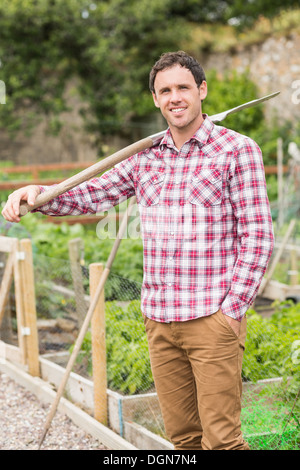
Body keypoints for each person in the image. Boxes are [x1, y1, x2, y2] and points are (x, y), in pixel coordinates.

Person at [2, 51, 274, 450]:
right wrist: (39, 195)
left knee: (223, 441)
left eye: (183, 87)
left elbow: (258, 236)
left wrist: (232, 311)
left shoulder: (236, 150)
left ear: (202, 90)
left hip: (211, 318)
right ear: (155, 99)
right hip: (160, 321)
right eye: (165, 90)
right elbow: (92, 194)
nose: (174, 97)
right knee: (184, 440)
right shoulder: (145, 156)